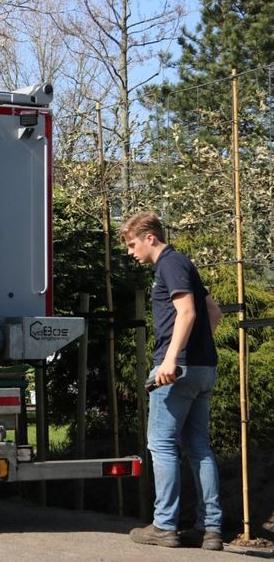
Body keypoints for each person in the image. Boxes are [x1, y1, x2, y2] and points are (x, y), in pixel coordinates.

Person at [122, 211, 224, 551]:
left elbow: (189, 313)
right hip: (202, 368)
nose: (130, 252)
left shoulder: (168, 263)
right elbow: (215, 313)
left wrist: (171, 358)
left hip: (176, 369)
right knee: (198, 448)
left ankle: (164, 526)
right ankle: (210, 530)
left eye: (132, 244)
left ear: (150, 237)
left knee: (161, 445)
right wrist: (197, 349)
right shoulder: (183, 264)